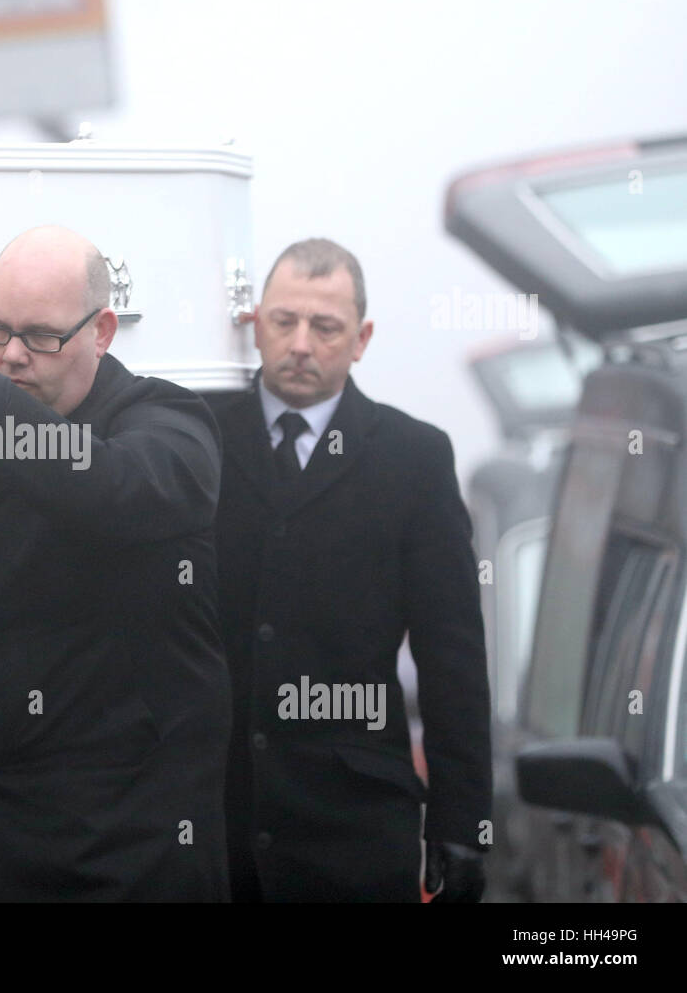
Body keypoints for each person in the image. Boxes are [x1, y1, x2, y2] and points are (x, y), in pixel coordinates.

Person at [0, 225, 232, 902]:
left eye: (41, 336)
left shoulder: (167, 425)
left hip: (127, 847)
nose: (11, 356)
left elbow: (100, 486)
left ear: (102, 330)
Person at [214, 238, 491, 902]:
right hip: (214, 822)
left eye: (325, 327)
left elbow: (451, 655)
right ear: (255, 324)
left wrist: (464, 824)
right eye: (283, 322)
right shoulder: (198, 437)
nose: (301, 344)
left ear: (361, 339)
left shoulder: (414, 459)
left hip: (355, 831)